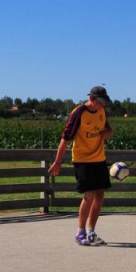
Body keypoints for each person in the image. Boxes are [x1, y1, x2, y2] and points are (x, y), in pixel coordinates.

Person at [50, 86, 113, 246]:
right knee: (89, 194)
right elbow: (65, 139)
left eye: (104, 102)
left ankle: (91, 232)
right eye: (100, 102)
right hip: (82, 160)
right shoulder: (78, 113)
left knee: (100, 195)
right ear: (92, 99)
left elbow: (107, 129)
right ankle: (80, 232)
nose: (103, 105)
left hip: (99, 159)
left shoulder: (102, 111)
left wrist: (107, 133)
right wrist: (58, 162)